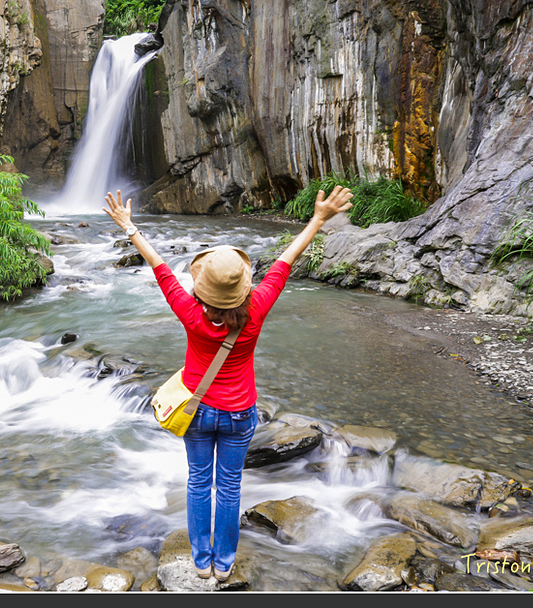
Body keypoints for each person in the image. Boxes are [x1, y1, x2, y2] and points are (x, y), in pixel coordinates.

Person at [102, 185, 353, 582]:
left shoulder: (189, 311)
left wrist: (129, 226)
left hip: (197, 410)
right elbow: (286, 260)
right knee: (230, 487)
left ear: (202, 288)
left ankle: (201, 561)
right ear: (243, 286)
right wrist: (319, 219)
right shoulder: (258, 307)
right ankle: (224, 563)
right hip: (239, 414)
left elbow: (159, 266)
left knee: (199, 483)